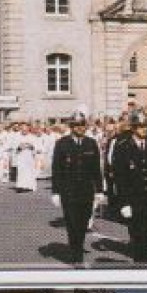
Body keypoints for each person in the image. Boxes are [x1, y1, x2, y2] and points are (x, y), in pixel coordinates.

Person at [109, 111, 147, 262]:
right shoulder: (123, 146)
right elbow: (120, 178)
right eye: (140, 127)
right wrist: (124, 202)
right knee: (137, 232)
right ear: (133, 128)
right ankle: (141, 260)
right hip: (133, 198)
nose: (144, 129)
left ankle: (145, 255)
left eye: (145, 126)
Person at [51, 109, 106, 263]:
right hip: (69, 192)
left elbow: (96, 169)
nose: (80, 128)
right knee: (72, 223)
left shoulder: (91, 143)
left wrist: (100, 190)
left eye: (82, 125)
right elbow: (57, 169)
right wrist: (56, 192)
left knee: (83, 223)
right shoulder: (62, 144)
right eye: (77, 125)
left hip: (86, 191)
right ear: (71, 127)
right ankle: (76, 254)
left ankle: (78, 246)